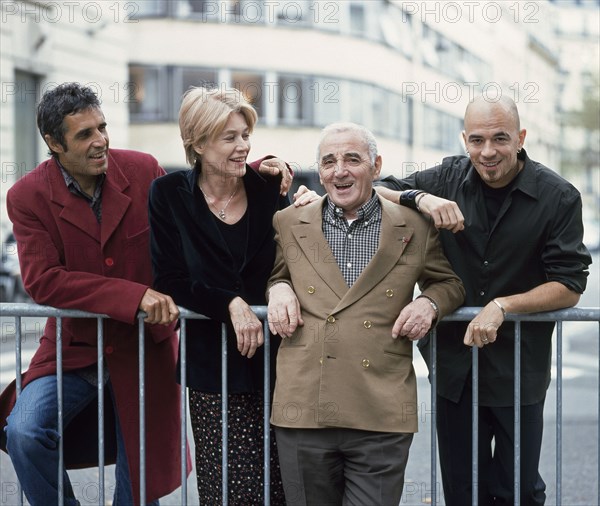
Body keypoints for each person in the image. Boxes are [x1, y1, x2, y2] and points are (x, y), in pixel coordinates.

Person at [375, 95, 592, 505]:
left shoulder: (558, 196)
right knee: (461, 491)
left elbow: (569, 283)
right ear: (464, 139)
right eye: (476, 140)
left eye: (500, 138)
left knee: (519, 491)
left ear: (521, 138)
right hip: (455, 369)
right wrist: (420, 198)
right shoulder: (445, 178)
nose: (487, 152)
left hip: (518, 368)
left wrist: (503, 306)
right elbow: (377, 190)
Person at [0, 82, 188, 505]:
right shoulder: (27, 196)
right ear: (54, 142)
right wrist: (134, 295)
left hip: (144, 350)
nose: (100, 140)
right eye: (84, 134)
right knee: (23, 432)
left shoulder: (143, 170)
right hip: (76, 349)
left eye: (101, 127)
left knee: (137, 484)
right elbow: (43, 279)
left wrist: (259, 173)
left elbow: (194, 213)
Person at [265, 122, 465, 506]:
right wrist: (278, 288)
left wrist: (430, 303)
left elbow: (450, 284)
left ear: (376, 166)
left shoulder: (416, 226)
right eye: (329, 161)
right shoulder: (289, 221)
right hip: (304, 408)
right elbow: (275, 273)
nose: (339, 170)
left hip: (380, 411)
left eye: (352, 159)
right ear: (320, 171)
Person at [148, 86, 316, 505]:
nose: (243, 146)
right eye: (230, 138)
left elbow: (294, 260)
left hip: (280, 364)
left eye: (245, 135)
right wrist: (229, 304)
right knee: (227, 491)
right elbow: (169, 278)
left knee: (284, 488)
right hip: (212, 370)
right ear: (198, 143)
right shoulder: (168, 195)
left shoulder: (270, 188)